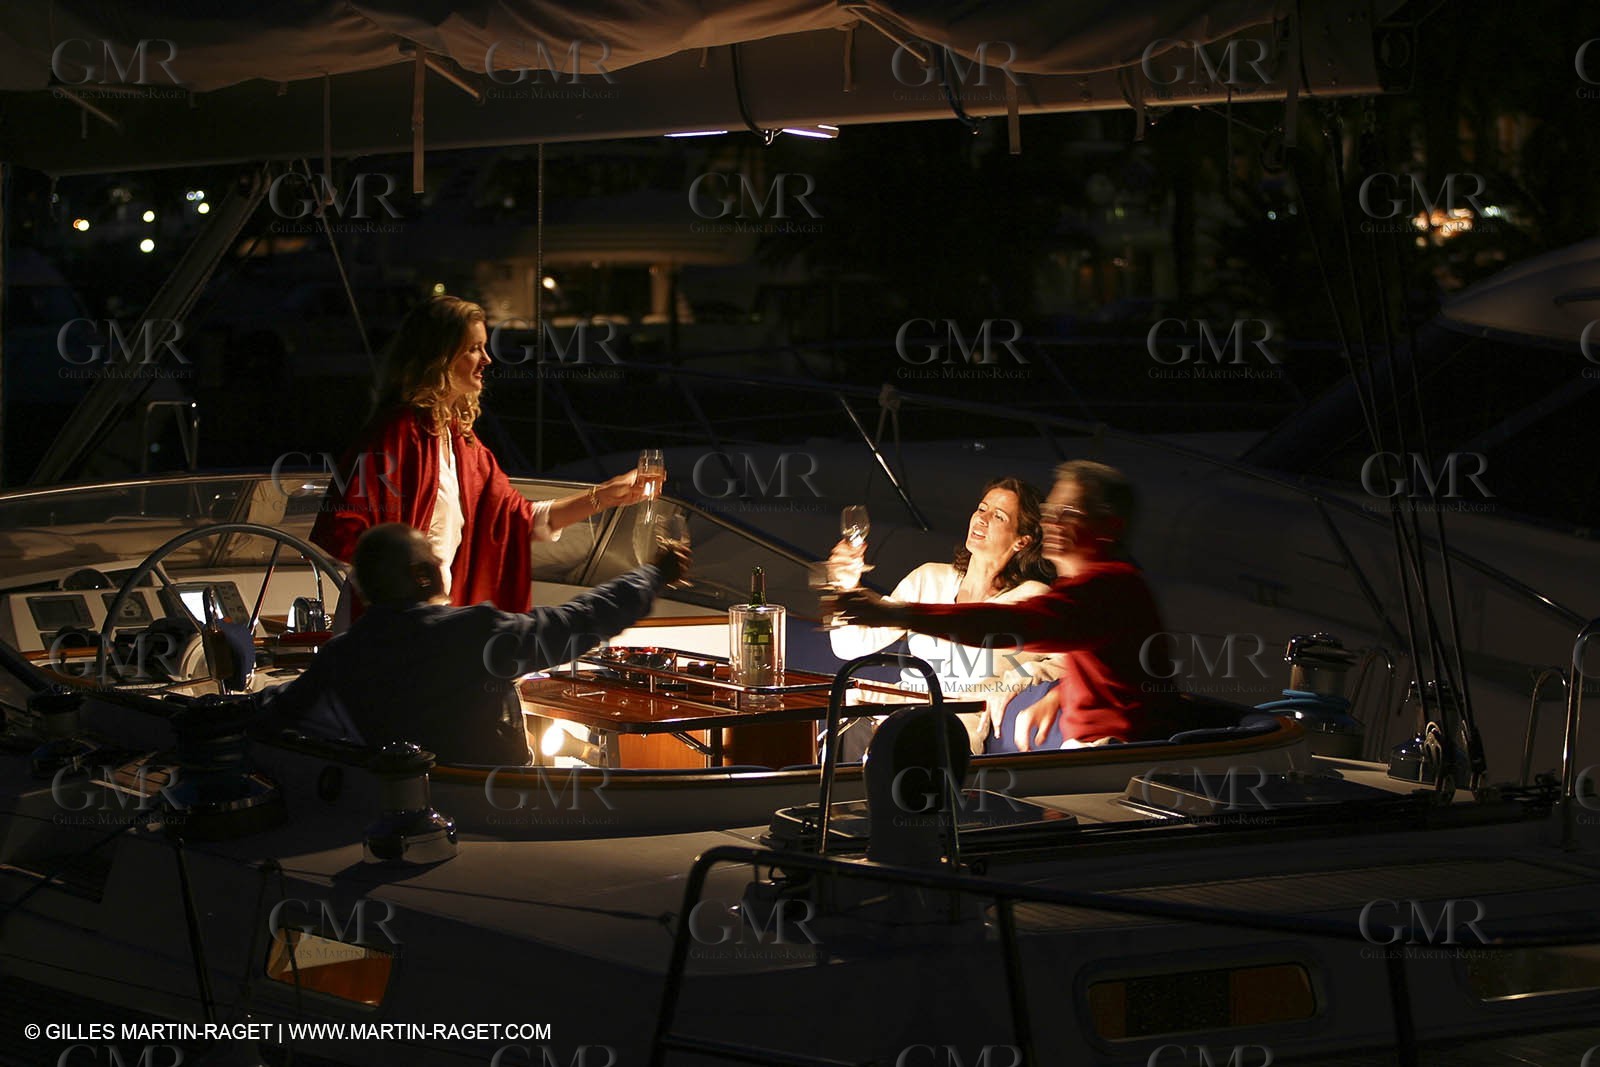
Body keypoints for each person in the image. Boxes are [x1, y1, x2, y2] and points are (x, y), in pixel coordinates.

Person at [310, 295, 647, 615]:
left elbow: (518, 520)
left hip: (436, 620)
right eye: (473, 348)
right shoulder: (396, 434)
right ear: (438, 356)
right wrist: (407, 594)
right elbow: (345, 532)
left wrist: (604, 496)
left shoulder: (462, 443)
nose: (487, 359)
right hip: (391, 627)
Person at [259, 523, 689, 765]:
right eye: (433, 555)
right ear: (423, 577)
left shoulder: (342, 655)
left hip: (404, 799)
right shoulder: (474, 632)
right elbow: (577, 622)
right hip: (495, 803)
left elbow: (279, 709)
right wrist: (650, 576)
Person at [830, 461, 1181, 751]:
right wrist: (1057, 697)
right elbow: (1082, 651)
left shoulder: (1106, 587)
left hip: (1120, 758)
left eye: (1069, 512)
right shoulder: (1080, 590)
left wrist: (898, 613)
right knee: (844, 725)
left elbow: (1013, 626)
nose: (1052, 521)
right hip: (1091, 751)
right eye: (1051, 511)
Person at [826, 477, 1063, 755]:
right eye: (982, 508)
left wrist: (1020, 678)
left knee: (903, 741)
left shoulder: (1032, 599)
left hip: (954, 723)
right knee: (845, 700)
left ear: (1022, 540)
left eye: (998, 516)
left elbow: (1069, 662)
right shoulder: (929, 577)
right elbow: (847, 647)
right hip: (902, 706)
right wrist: (844, 586)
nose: (982, 519)